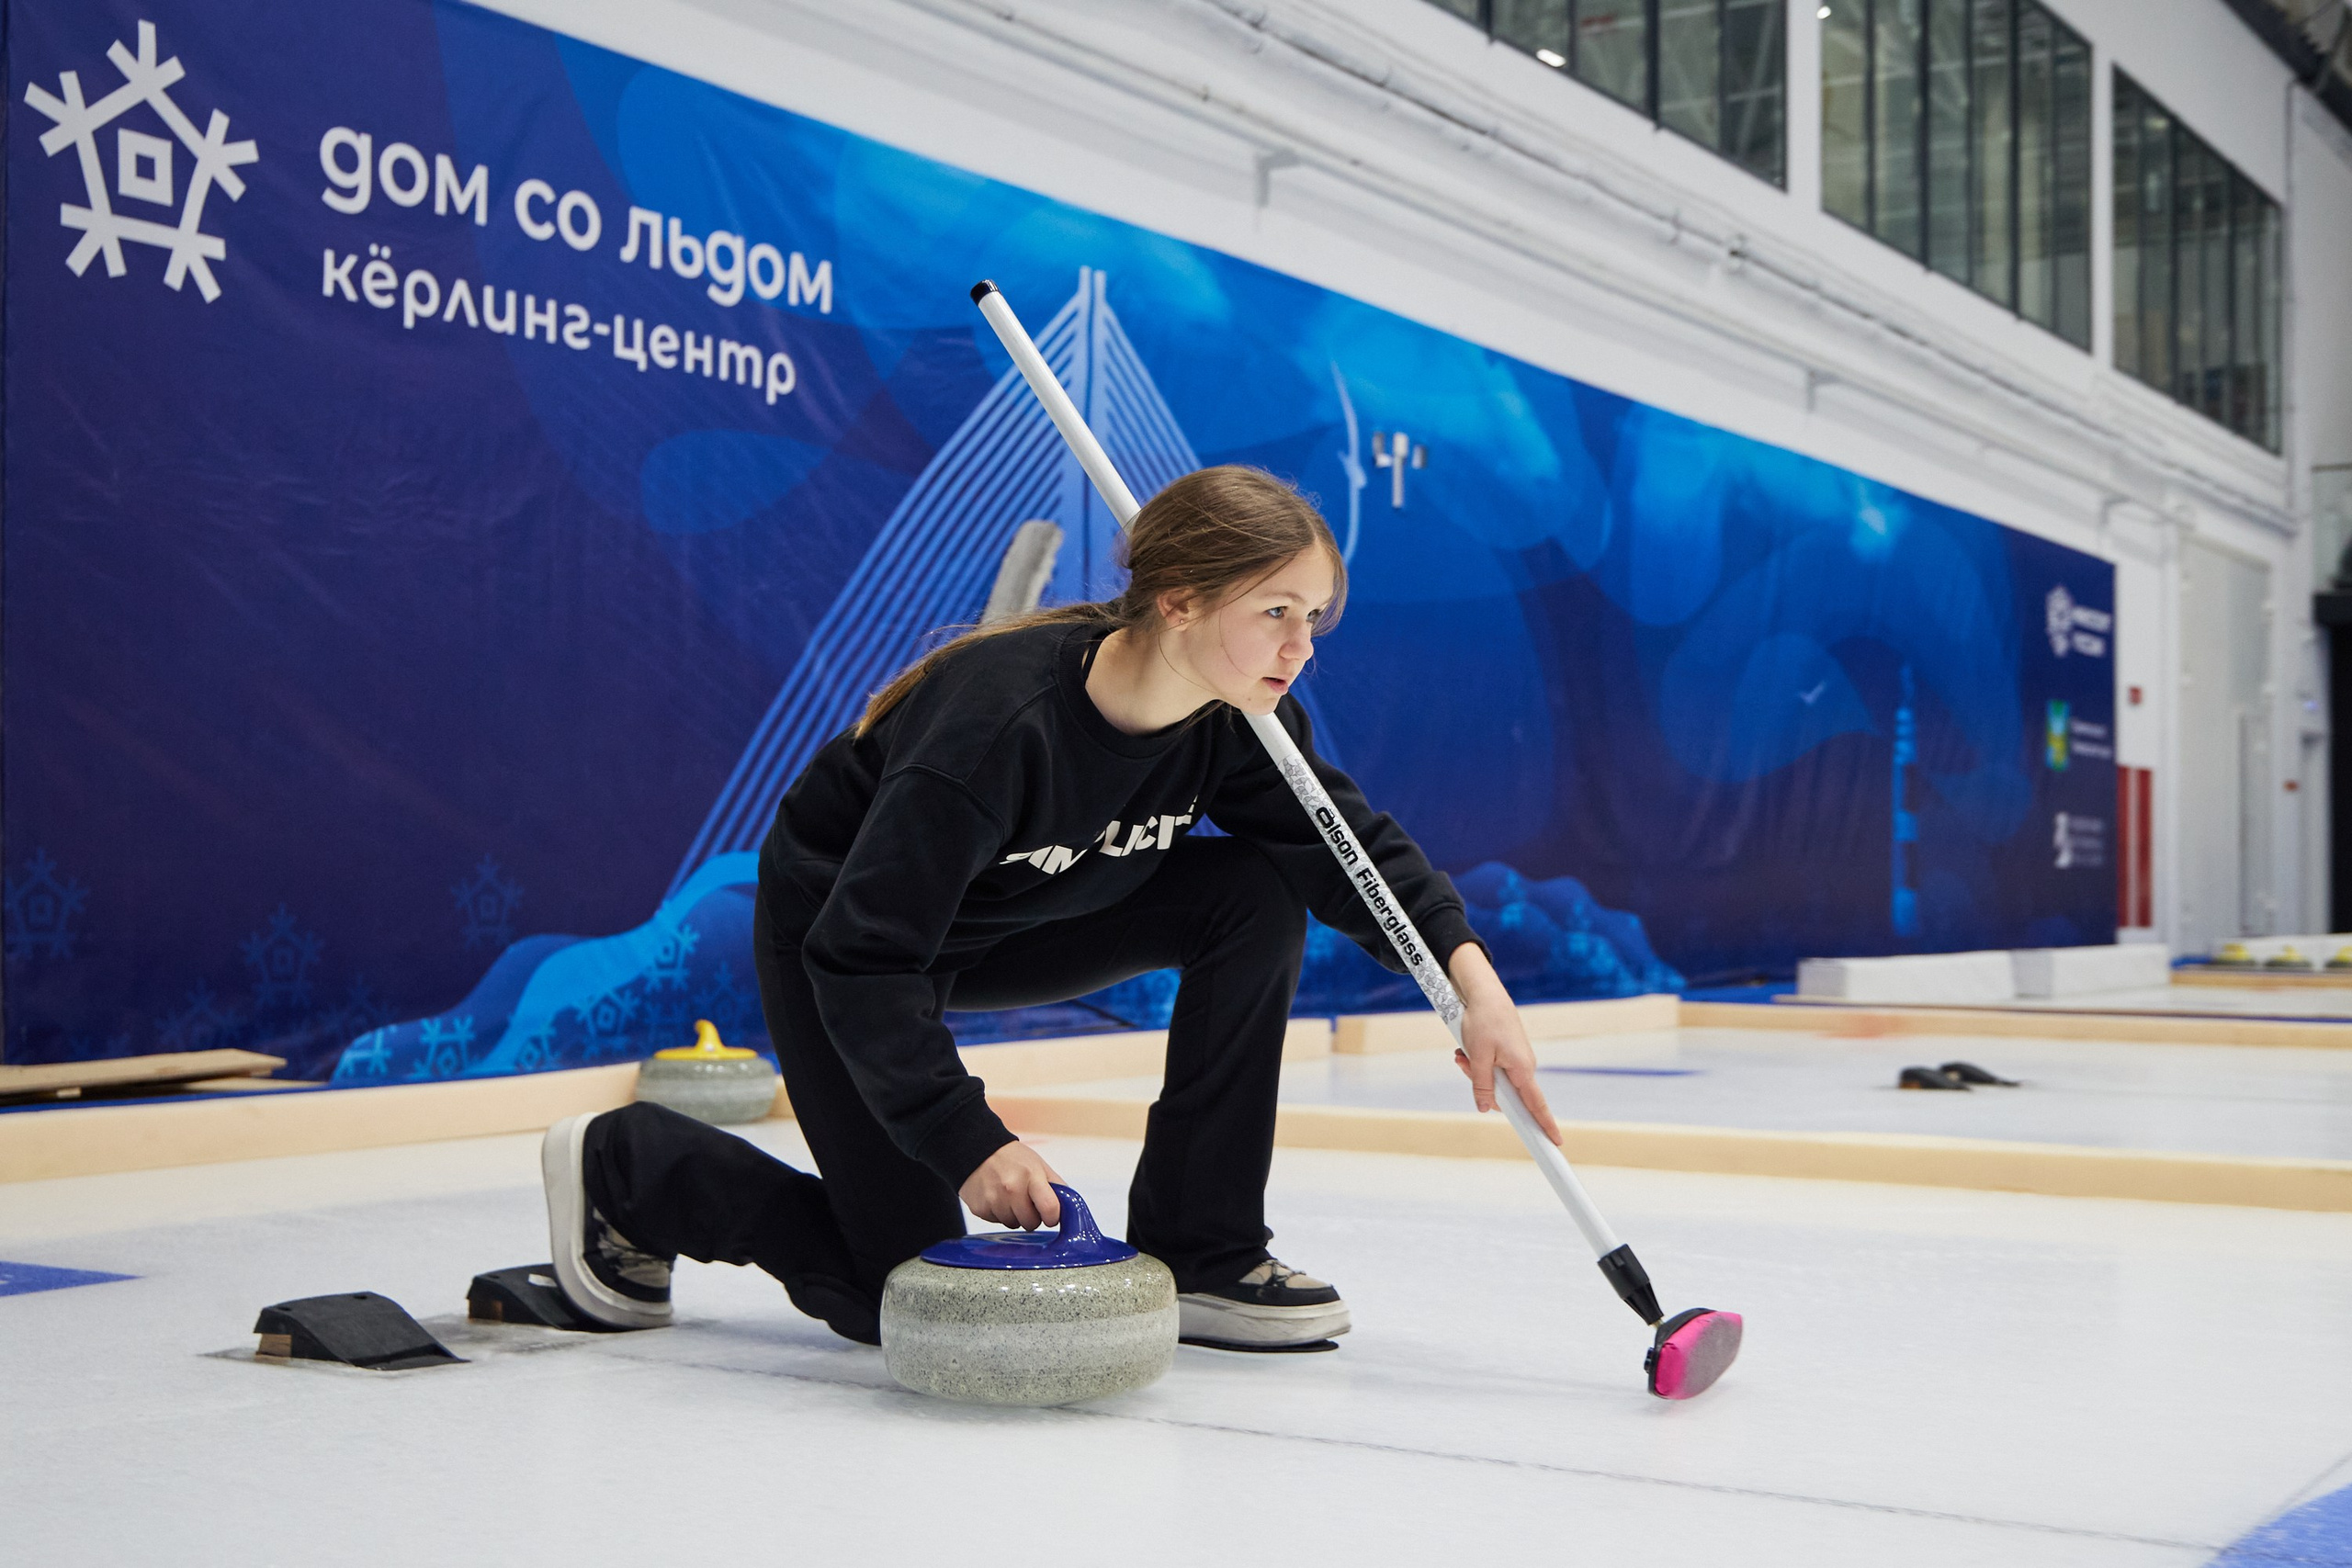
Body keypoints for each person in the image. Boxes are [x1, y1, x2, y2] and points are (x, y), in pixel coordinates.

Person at [538, 465, 1561, 1350]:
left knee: (1255, 889)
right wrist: (965, 1139)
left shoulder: (1241, 714)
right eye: (1275, 611)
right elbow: (862, 958)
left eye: (1314, 616)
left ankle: (1202, 1250)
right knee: (904, 1294)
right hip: (850, 944)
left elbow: (1353, 852)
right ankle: (634, 1165)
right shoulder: (996, 727)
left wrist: (1473, 986)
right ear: (1177, 602)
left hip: (1029, 914)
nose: (1300, 646)